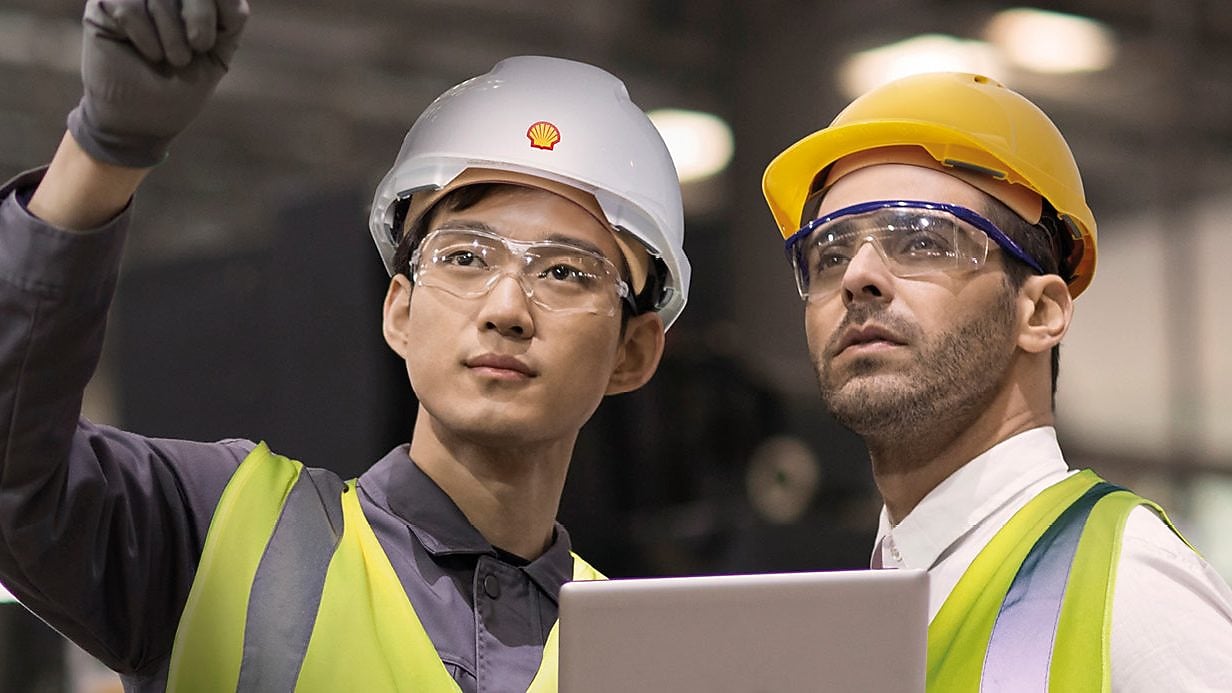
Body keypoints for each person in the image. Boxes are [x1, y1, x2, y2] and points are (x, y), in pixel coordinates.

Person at [0, 1, 690, 691]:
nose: (506, 309)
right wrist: (101, 151)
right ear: (400, 310)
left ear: (633, 350)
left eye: (565, 272)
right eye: (465, 257)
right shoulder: (220, 533)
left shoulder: (645, 653)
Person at [761, 71, 1232, 689]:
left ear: (1039, 312)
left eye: (922, 240)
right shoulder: (861, 612)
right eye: (829, 254)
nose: (858, 276)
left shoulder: (1129, 584)